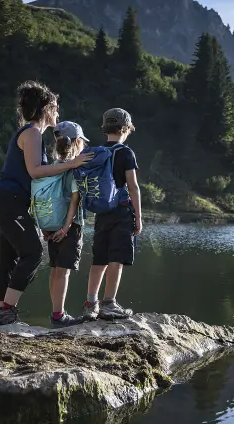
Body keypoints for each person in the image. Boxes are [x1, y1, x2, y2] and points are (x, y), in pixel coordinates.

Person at [0, 81, 92, 326]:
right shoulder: (33, 133)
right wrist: (71, 164)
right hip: (10, 202)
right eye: (55, 107)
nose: (57, 112)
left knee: (8, 259)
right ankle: (7, 309)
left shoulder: (29, 133)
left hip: (8, 203)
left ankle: (0, 316)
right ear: (46, 107)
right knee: (33, 252)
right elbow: (35, 171)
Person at [82, 108, 142, 320]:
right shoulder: (126, 153)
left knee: (99, 259)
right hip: (121, 211)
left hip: (101, 211)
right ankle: (109, 303)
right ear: (125, 128)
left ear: (106, 128)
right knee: (117, 258)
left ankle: (91, 303)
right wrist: (139, 217)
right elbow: (133, 187)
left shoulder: (95, 152)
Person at [45, 121, 89, 328]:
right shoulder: (75, 169)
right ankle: (59, 316)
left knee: (55, 269)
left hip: (51, 225)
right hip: (69, 226)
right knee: (63, 271)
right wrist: (66, 227)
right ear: (78, 142)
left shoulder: (51, 166)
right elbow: (75, 199)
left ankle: (54, 312)